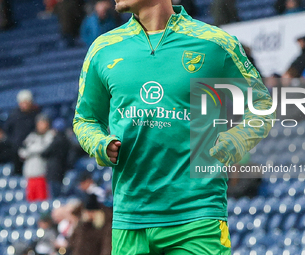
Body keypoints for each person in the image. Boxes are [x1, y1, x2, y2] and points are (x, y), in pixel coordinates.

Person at [73, 1, 274, 254]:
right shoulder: (103, 49)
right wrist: (100, 144)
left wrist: (234, 141)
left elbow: (262, 105)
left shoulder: (215, 43)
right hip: (130, 220)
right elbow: (85, 119)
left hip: (197, 218)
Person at [4, 89, 41, 175]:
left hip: (31, 149)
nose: (24, 105)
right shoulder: (14, 115)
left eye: (26, 102)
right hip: (16, 149)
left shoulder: (35, 114)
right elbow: (7, 129)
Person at [18, 113, 54, 202]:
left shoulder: (50, 135)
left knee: (42, 201)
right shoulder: (32, 136)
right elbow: (22, 152)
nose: (41, 125)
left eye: (43, 122)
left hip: (42, 174)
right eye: (39, 123)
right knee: (31, 202)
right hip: (30, 175)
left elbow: (43, 149)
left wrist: (30, 150)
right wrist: (31, 150)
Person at [41, 118, 70, 199]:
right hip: (62, 169)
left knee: (55, 196)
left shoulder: (56, 140)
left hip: (54, 170)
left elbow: (44, 153)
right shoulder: (66, 140)